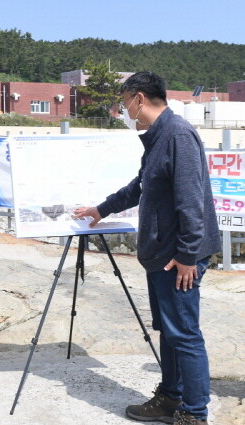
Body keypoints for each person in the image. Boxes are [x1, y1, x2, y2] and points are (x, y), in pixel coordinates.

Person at [75, 71, 220, 425]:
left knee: (184, 335)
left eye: (125, 103)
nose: (125, 111)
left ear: (139, 99)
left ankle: (195, 413)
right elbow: (139, 186)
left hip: (177, 258)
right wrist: (100, 210)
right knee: (170, 332)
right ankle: (171, 398)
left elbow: (191, 203)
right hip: (163, 254)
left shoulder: (178, 135)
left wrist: (187, 256)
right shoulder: (157, 137)